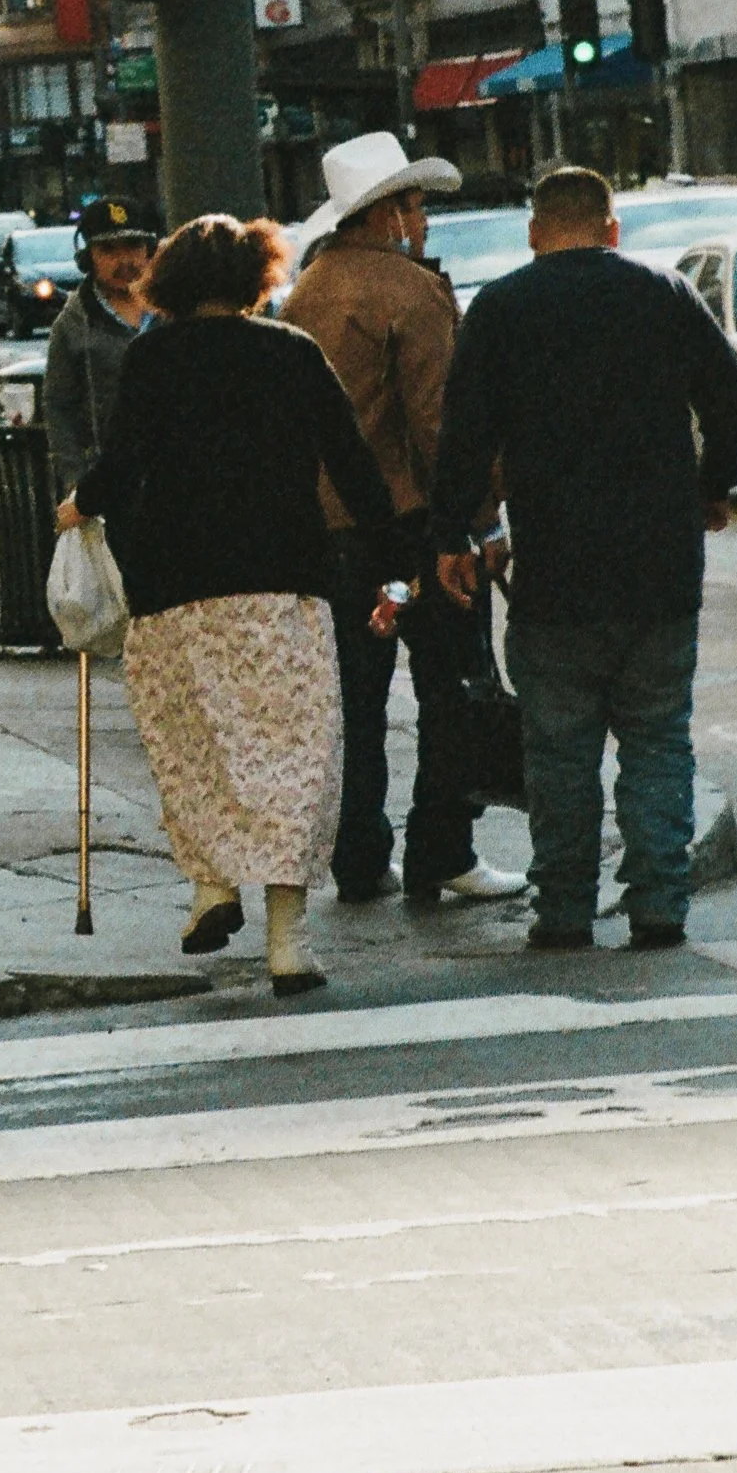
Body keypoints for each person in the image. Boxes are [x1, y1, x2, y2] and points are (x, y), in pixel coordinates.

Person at [64, 213, 398, 996]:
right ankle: (288, 939)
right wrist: (391, 570)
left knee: (196, 745)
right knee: (292, 755)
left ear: (171, 280)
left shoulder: (151, 359)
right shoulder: (291, 353)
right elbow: (351, 467)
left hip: (177, 590)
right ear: (258, 277)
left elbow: (120, 465)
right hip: (281, 585)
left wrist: (76, 505)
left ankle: (213, 889)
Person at [429, 161, 737, 953]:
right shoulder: (662, 292)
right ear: (612, 229)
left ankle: (565, 911)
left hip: (554, 573)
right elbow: (728, 404)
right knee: (656, 740)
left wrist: (450, 535)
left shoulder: (500, 306)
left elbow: (463, 436)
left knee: (559, 753)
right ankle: (657, 907)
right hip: (659, 568)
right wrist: (708, 490)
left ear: (533, 231)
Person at [285, 132, 524, 913]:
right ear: (387, 214)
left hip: (331, 533)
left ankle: (359, 856)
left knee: (353, 697)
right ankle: (442, 850)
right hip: (414, 529)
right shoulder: (409, 292)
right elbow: (437, 426)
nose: (422, 223)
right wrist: (478, 523)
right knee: (450, 687)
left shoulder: (308, 288)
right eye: (415, 207)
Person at [42, 194, 157, 500]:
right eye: (108, 250)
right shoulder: (73, 324)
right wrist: (77, 481)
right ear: (88, 258)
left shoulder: (171, 310)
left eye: (133, 246)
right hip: (110, 483)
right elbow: (58, 407)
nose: (125, 262)